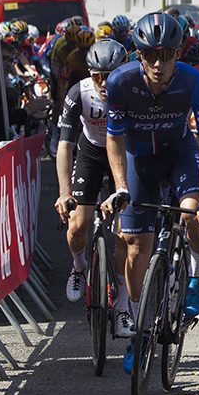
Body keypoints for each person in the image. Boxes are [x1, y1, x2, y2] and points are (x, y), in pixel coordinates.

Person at [100, 13, 199, 375]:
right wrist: (120, 186)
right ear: (138, 54)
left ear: (177, 53)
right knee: (137, 246)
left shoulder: (194, 82)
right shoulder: (120, 82)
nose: (158, 63)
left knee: (190, 213)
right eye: (150, 55)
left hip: (178, 154)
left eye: (166, 55)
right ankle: (138, 327)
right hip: (139, 160)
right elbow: (114, 139)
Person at [54, 40, 130, 332]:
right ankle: (80, 266)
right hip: (90, 153)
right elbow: (64, 145)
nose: (104, 82)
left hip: (122, 155)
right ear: (89, 73)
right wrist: (64, 192)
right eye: (98, 75)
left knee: (125, 234)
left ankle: (122, 305)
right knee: (77, 225)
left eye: (110, 75)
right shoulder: (80, 93)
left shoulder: (132, 91)